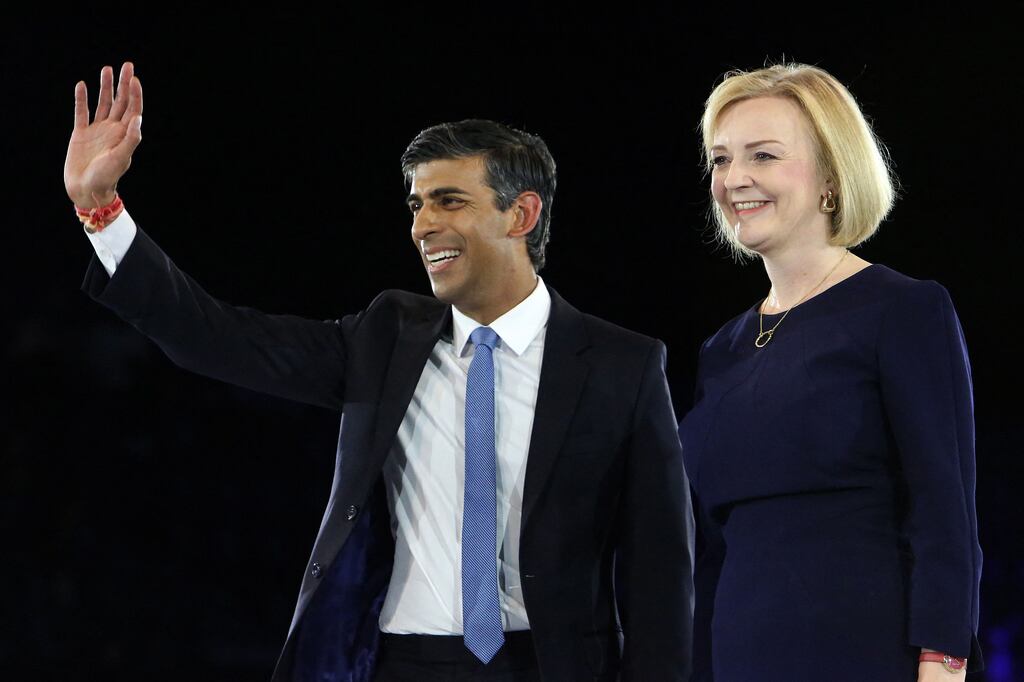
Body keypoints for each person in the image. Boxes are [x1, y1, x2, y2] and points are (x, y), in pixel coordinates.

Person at [65, 62, 695, 682]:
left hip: (550, 664)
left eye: (450, 201)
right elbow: (216, 338)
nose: (423, 226)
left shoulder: (622, 364)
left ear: (521, 215)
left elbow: (659, 572)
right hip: (398, 664)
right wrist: (102, 210)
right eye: (418, 204)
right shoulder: (384, 336)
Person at [678, 63, 982, 681]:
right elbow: (709, 545)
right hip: (737, 658)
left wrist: (943, 662)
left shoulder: (903, 310)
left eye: (763, 155)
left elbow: (944, 514)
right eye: (721, 159)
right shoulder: (721, 348)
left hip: (864, 654)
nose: (735, 179)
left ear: (831, 178)